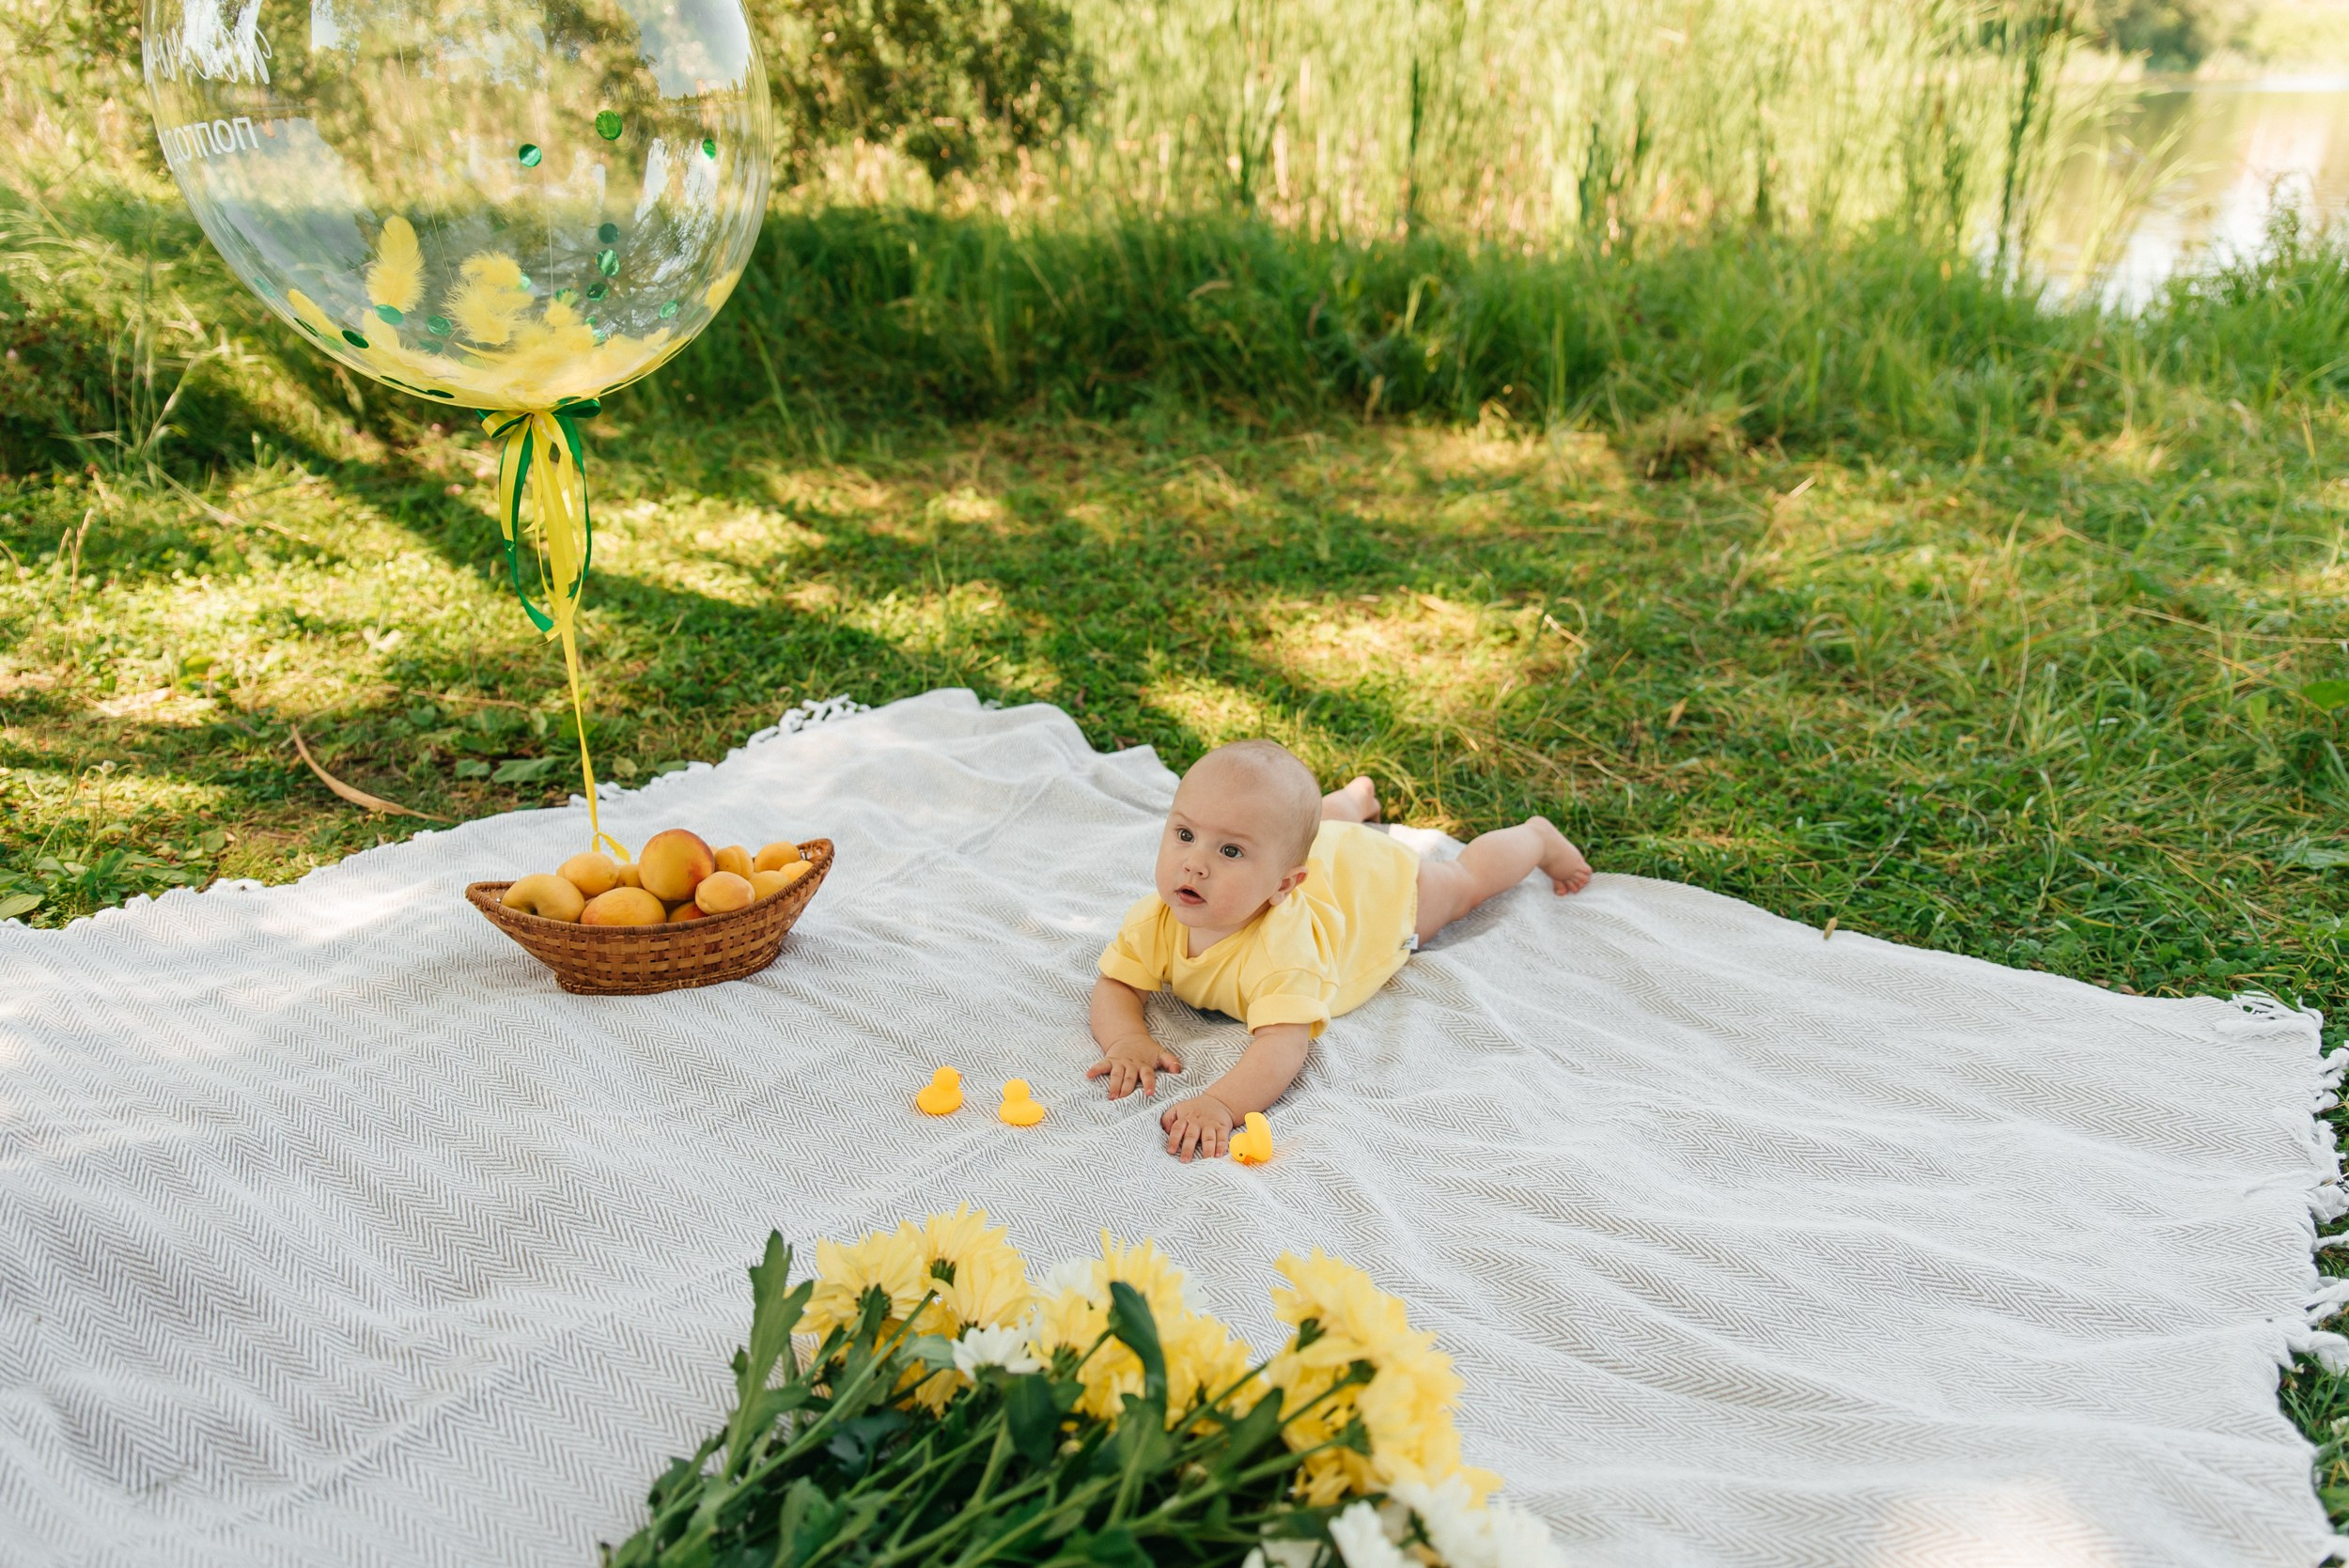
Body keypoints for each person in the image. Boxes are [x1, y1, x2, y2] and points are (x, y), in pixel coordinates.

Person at [1090, 739, 1594, 1159]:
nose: (1194, 864)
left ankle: (1535, 838)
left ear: (1283, 886)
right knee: (1312, 829)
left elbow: (1281, 1047)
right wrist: (1127, 1039)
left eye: (1230, 851)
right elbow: (1117, 982)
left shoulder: (1283, 952)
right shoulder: (1155, 917)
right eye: (1184, 834)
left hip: (1375, 889)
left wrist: (1220, 1103)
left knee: (1464, 884)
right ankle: (1355, 799)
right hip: (1321, 854)